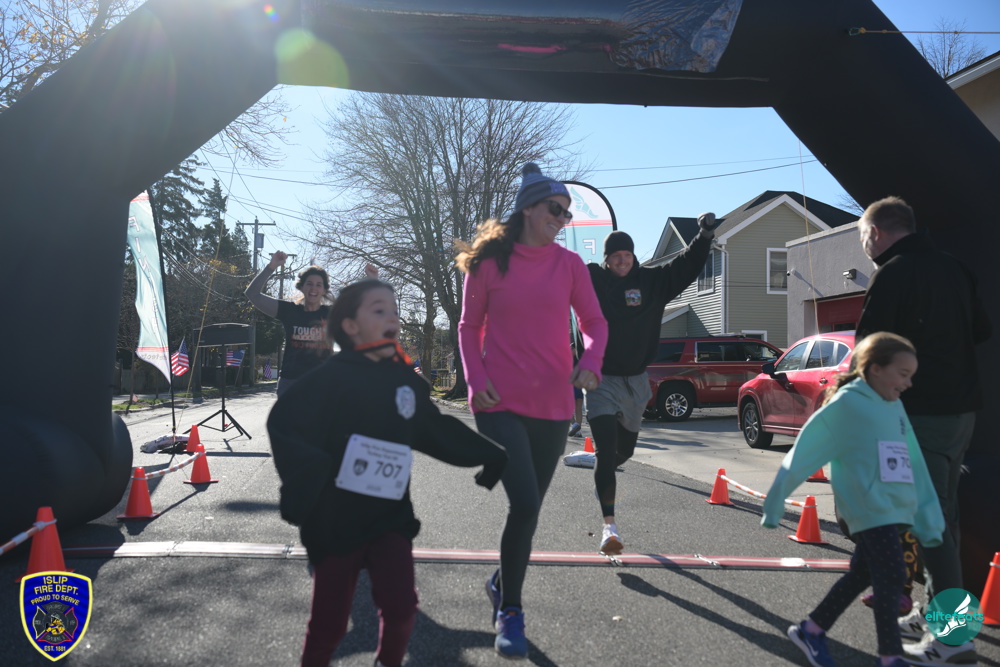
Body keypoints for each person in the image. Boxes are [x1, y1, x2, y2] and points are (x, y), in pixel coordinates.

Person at [267, 278, 508, 667]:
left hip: (389, 516)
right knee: (329, 625)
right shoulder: (328, 378)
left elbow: (433, 428)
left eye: (394, 311)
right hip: (334, 518)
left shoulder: (405, 381)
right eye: (379, 310)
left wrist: (489, 454)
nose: (392, 317)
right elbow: (284, 423)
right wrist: (310, 477)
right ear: (350, 325)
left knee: (401, 610)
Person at [456, 162, 608, 659]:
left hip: (553, 405)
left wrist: (591, 361)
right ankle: (511, 611)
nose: (561, 219)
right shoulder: (487, 264)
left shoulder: (570, 266)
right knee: (523, 504)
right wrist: (475, 380)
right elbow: (468, 327)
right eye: (555, 209)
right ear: (528, 208)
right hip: (497, 402)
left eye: (566, 213)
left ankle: (501, 581)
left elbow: (595, 323)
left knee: (530, 510)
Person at [854, 196, 991, 665]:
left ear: (875, 233)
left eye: (864, 237)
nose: (865, 245)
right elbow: (981, 329)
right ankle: (938, 615)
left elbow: (867, 353)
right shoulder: (956, 268)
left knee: (931, 525)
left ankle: (954, 640)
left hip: (918, 415)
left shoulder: (891, 274)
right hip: (962, 412)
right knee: (944, 517)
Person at [761, 332, 944, 667]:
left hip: (893, 509)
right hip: (867, 509)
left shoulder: (894, 407)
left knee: (862, 574)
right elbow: (805, 451)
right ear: (875, 369)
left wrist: (928, 515)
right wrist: (775, 501)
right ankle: (890, 657)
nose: (909, 383)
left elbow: (913, 462)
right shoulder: (846, 405)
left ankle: (810, 631)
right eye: (903, 374)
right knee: (892, 576)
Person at [585, 216, 720, 555]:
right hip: (600, 379)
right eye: (615, 256)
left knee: (624, 452)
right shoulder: (592, 279)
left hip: (636, 381)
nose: (621, 261)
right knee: (605, 451)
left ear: (633, 256)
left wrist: (704, 235)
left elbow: (686, 265)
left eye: (627, 255)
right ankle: (609, 528)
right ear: (606, 259)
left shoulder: (652, 282)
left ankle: (605, 473)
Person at [245, 250, 377, 396]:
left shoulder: (333, 314)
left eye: (319, 285)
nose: (314, 288)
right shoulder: (289, 311)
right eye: (309, 284)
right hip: (291, 384)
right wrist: (271, 267)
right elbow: (252, 294)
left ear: (324, 290)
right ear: (301, 287)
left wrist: (372, 282)